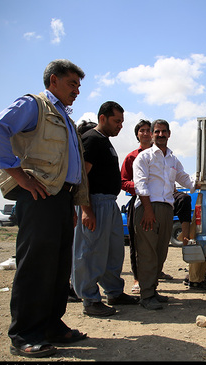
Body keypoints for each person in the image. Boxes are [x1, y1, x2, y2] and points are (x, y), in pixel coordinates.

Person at [0, 59, 88, 358]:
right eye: (72, 84)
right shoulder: (34, 105)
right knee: (36, 266)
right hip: (39, 195)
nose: (77, 91)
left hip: (61, 198)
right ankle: (24, 335)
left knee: (57, 267)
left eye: (79, 85)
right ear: (53, 81)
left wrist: (75, 203)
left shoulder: (63, 116)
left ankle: (52, 326)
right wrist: (19, 175)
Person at [72, 101, 139, 317]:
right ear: (103, 118)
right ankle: (90, 299)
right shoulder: (91, 139)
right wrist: (86, 209)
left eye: (121, 122)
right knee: (91, 252)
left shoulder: (105, 142)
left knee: (112, 252)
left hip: (109, 203)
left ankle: (114, 292)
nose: (120, 126)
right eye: (116, 121)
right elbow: (82, 177)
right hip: (94, 203)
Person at [133, 119, 197, 310]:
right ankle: (146, 295)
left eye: (164, 132)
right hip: (147, 209)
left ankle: (153, 290)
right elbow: (141, 185)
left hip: (167, 210)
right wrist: (148, 211)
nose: (161, 135)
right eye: (157, 132)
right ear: (152, 134)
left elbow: (185, 180)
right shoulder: (144, 157)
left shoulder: (173, 159)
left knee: (161, 252)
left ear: (169, 134)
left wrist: (205, 181)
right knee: (147, 253)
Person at [121, 120, 153, 294]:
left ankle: (155, 277)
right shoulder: (131, 157)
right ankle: (137, 279)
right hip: (139, 202)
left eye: (149, 130)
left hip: (159, 202)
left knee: (157, 241)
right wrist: (141, 187)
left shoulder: (162, 155)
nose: (146, 133)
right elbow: (123, 182)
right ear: (137, 134)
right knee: (136, 242)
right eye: (142, 130)